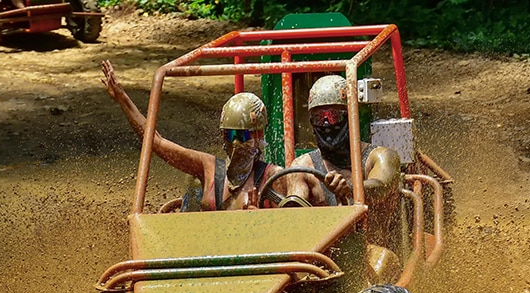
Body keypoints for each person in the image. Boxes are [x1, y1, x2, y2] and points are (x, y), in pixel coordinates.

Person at [101, 60, 285, 211]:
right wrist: (123, 99)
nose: (236, 142)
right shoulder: (209, 169)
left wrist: (262, 220)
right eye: (230, 135)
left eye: (243, 136)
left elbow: (291, 231)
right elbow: (155, 141)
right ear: (222, 135)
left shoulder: (274, 178)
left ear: (258, 134)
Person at [284, 75, 402, 208]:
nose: (326, 124)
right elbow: (294, 210)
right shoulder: (302, 168)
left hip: (375, 229)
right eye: (319, 118)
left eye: (334, 116)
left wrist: (351, 188)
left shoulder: (381, 157)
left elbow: (381, 187)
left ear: (351, 116)